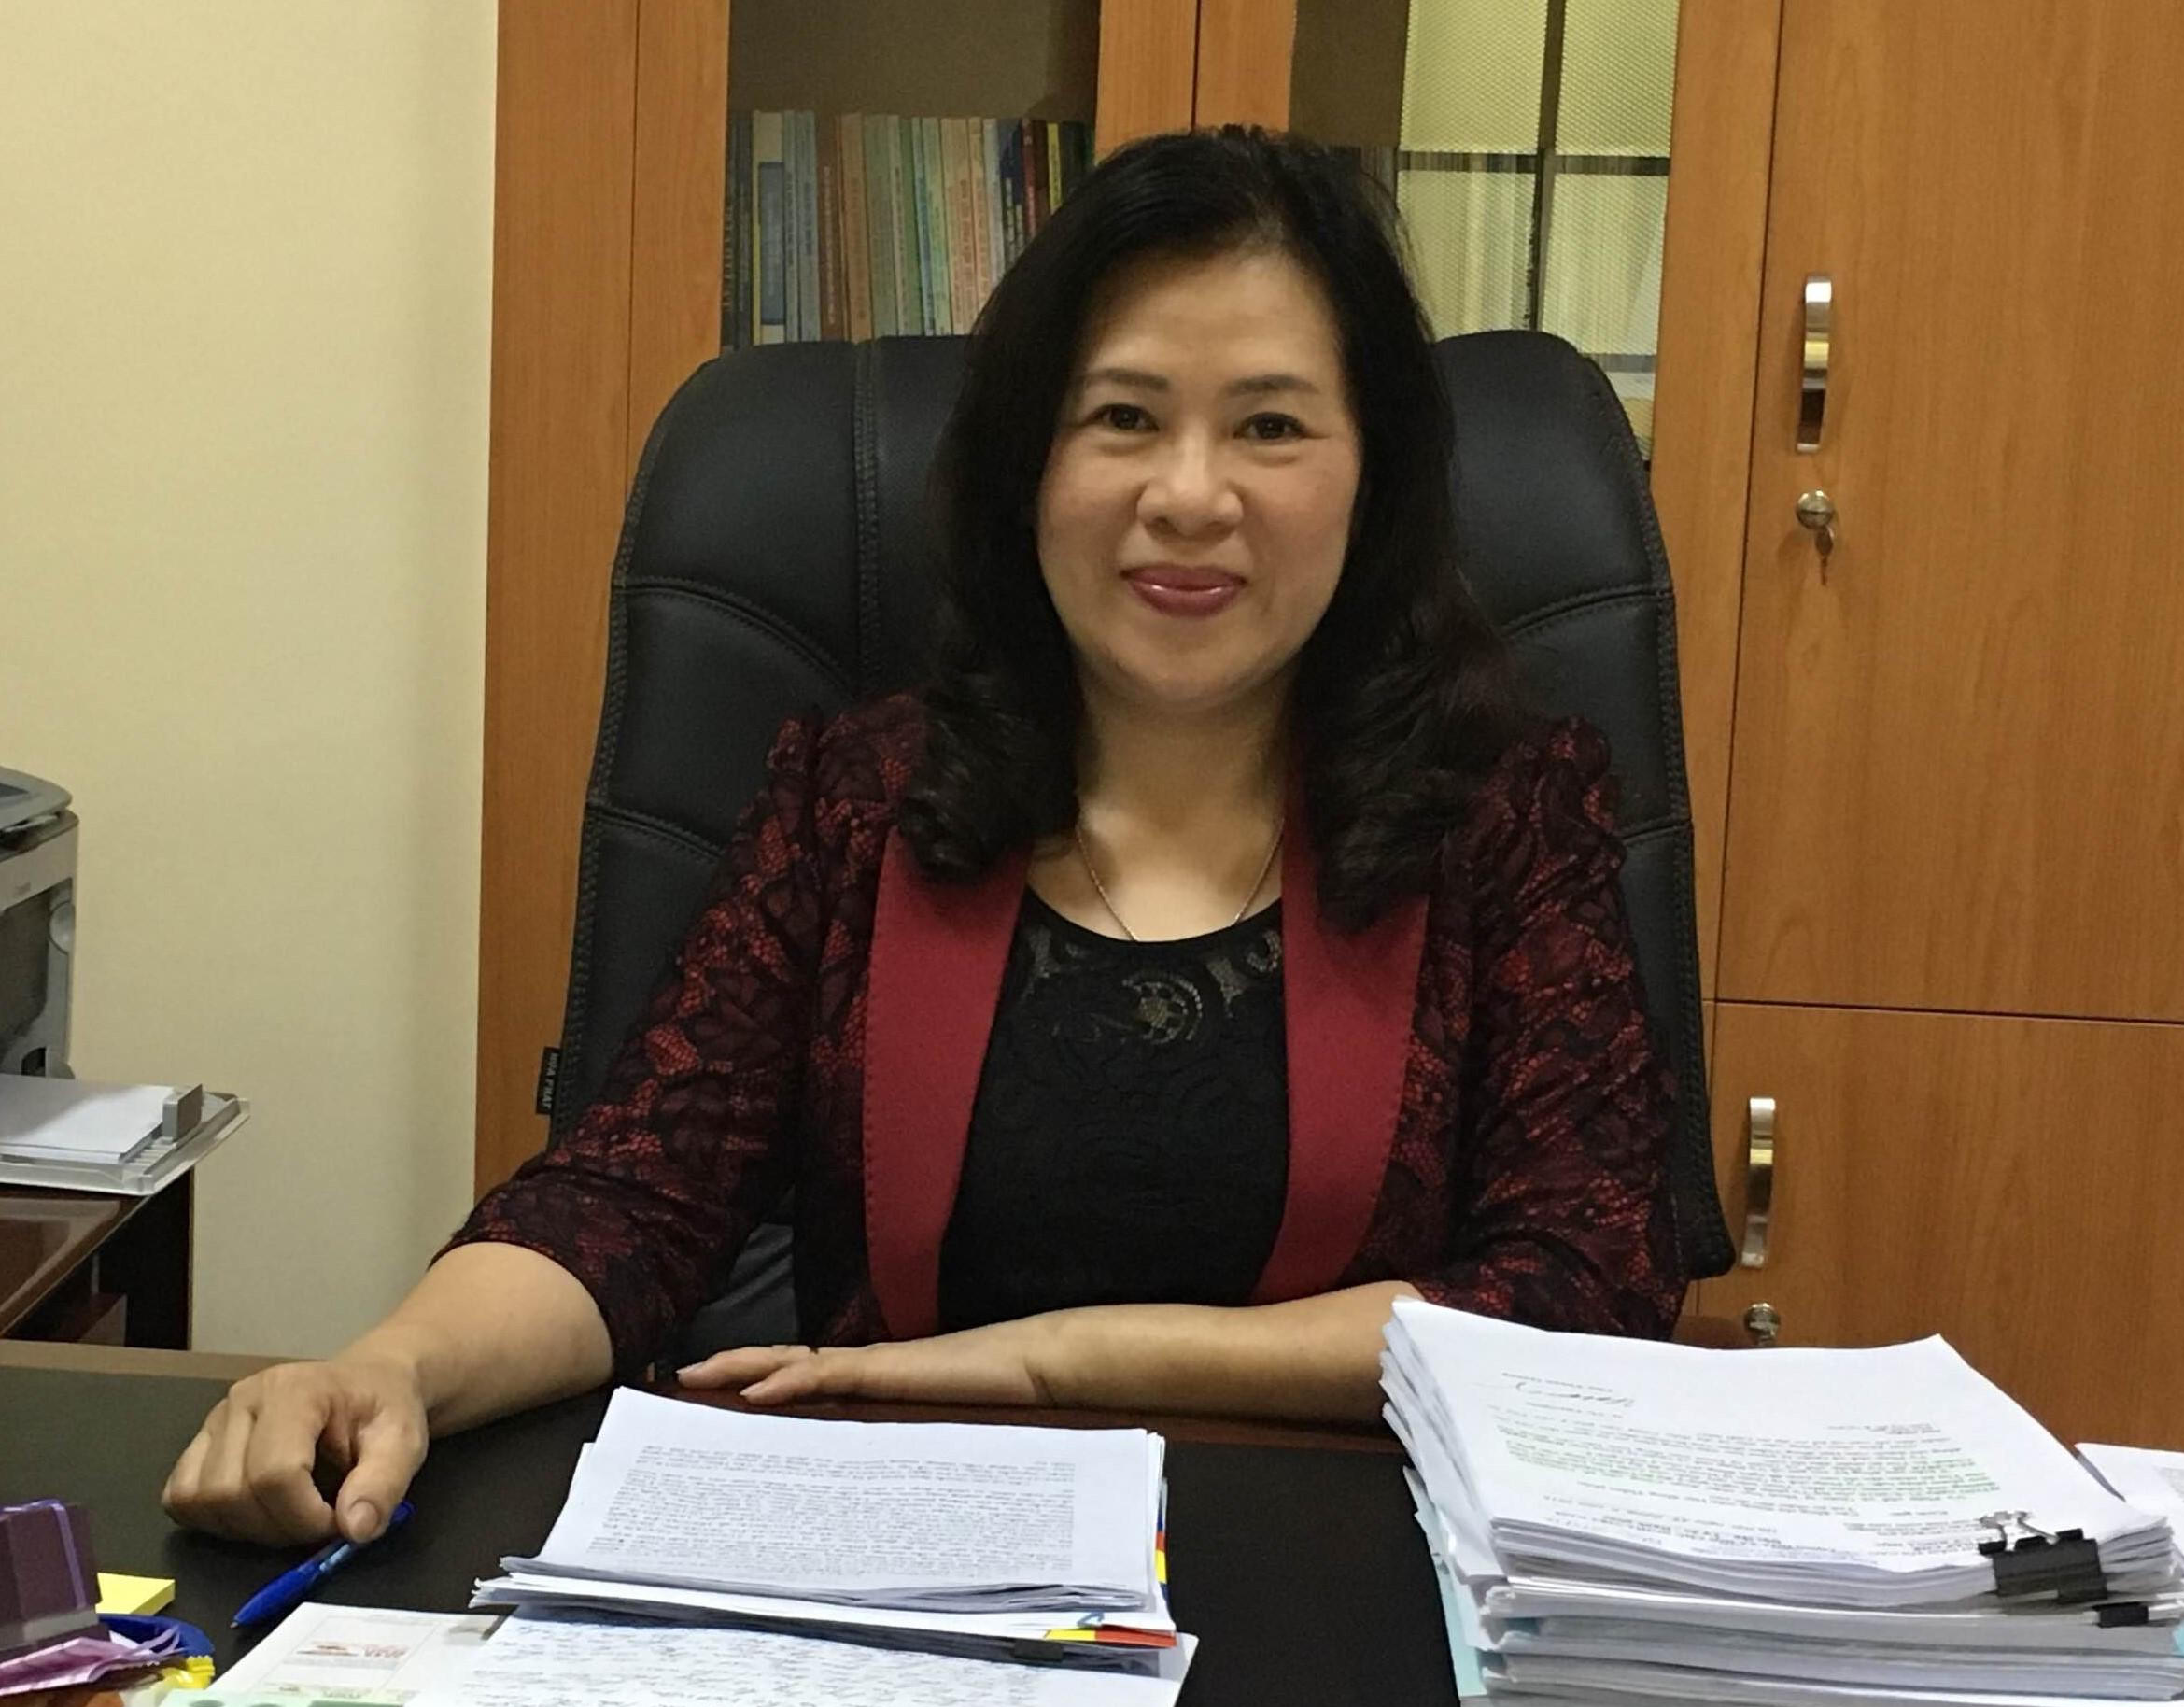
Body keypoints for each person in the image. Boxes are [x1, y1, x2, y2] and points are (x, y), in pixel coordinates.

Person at [162, 126, 1684, 1548]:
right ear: (1031, 465)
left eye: (1271, 425)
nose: (1188, 494)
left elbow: (1580, 1294)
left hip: (1348, 1578)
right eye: (1123, 418)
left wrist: (1053, 1361)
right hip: (902, 1573)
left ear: (1373, 474)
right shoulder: (856, 804)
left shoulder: (1504, 820)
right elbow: (628, 1198)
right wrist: (390, 1366)